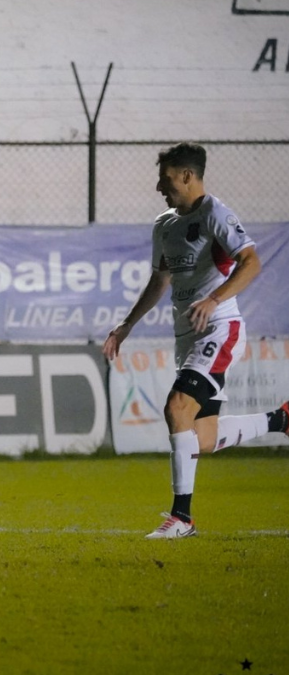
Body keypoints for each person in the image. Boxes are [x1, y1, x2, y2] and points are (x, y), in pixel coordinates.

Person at [102, 142, 282, 539]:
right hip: (187, 338)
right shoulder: (164, 224)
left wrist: (214, 298)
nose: (158, 186)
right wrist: (126, 325)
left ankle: (181, 518)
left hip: (220, 328)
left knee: (176, 406)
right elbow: (160, 280)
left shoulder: (215, 213)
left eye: (166, 178)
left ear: (187, 175)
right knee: (203, 437)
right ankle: (280, 419)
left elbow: (251, 261)